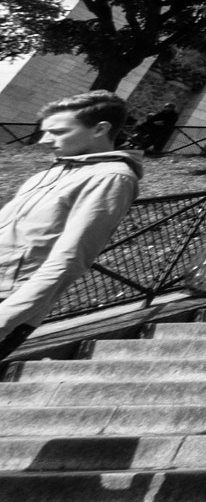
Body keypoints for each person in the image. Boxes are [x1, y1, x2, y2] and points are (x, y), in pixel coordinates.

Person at [0, 92, 144, 363]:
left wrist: (5, 318)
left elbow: (70, 258)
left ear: (100, 129)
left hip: (9, 301)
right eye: (45, 132)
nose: (45, 140)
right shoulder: (47, 174)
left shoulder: (111, 177)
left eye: (58, 132)